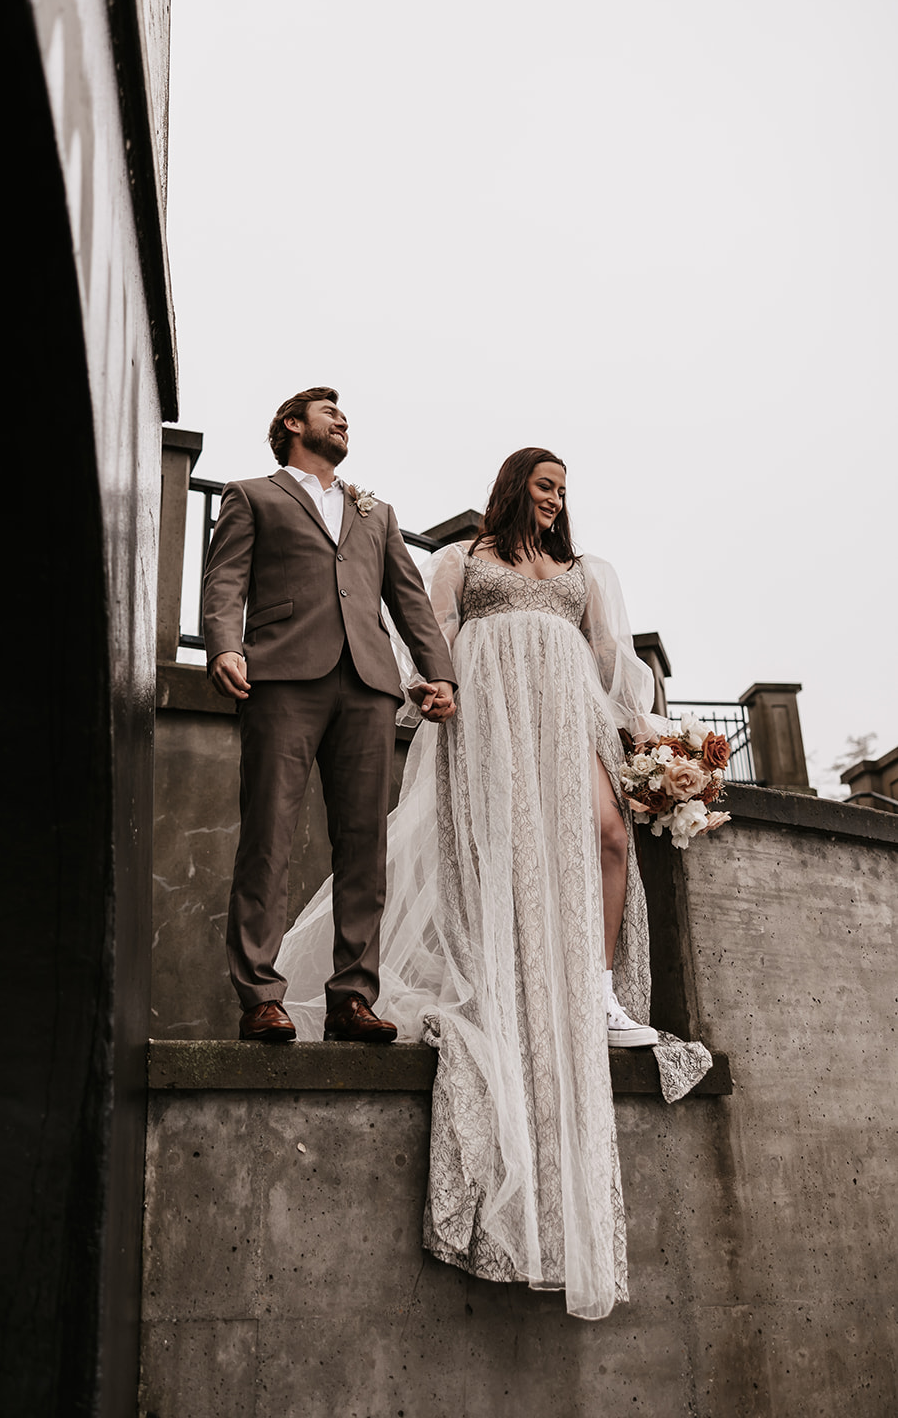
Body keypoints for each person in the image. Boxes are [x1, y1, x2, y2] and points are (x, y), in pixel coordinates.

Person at [279, 446, 711, 1318]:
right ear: (516, 486)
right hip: (489, 711)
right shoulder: (462, 560)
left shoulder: (582, 571)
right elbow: (426, 632)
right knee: (498, 853)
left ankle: (595, 991)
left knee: (606, 836)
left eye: (564, 490)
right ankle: (505, 975)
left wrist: (656, 745)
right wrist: (426, 685)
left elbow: (612, 662)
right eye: (545, 486)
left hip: (564, 711)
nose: (556, 501)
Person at [203, 386, 458, 1044]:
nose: (342, 421)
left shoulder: (373, 511)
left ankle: (352, 996)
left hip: (368, 686)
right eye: (328, 412)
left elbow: (408, 600)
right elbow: (225, 578)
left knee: (364, 848)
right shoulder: (250, 494)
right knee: (268, 837)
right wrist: (226, 647)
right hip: (282, 677)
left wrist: (437, 673)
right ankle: (260, 994)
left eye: (345, 416)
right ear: (291, 424)